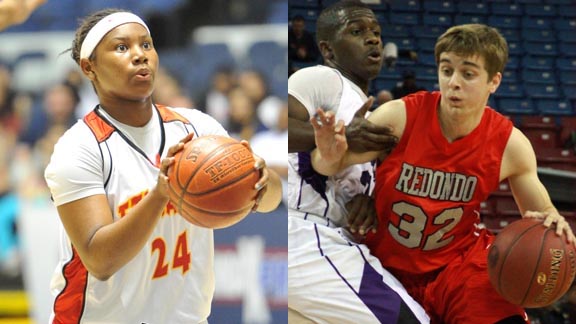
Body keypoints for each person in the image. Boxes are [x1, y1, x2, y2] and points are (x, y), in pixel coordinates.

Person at [310, 23, 576, 324]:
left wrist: (554, 219)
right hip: (381, 262)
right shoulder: (400, 117)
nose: (453, 83)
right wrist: (328, 154)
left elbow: (540, 213)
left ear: (494, 81)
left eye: (468, 73)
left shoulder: (510, 144)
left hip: (457, 266)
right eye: (446, 70)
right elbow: (327, 166)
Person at [43, 9, 282, 323]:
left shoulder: (197, 128)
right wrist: (159, 195)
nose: (139, 56)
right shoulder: (79, 148)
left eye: (146, 45)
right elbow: (99, 260)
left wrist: (261, 180)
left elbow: (271, 200)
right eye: (121, 47)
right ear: (89, 67)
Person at [288, 1, 428, 323]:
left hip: (332, 237)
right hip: (305, 231)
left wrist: (370, 203)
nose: (373, 39)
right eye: (357, 31)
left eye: (376, 33)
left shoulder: (370, 107)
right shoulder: (321, 78)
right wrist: (340, 136)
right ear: (328, 48)